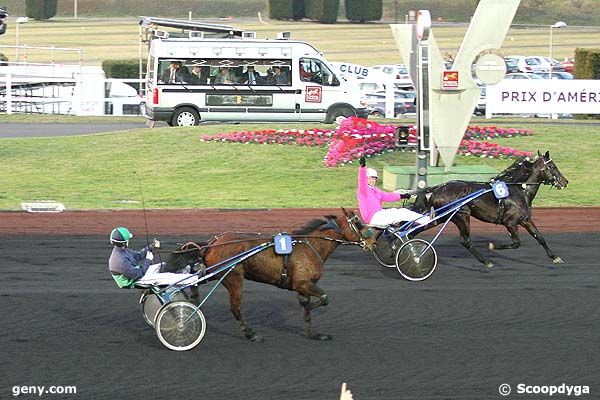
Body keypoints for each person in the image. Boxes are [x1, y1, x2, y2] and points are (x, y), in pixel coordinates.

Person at [108, 227, 197, 288]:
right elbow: (138, 274)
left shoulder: (122, 250)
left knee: (165, 265)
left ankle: (186, 270)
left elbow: (138, 255)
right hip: (137, 280)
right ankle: (194, 279)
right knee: (167, 276)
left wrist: (151, 246)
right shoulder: (119, 260)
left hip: (140, 273)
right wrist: (148, 260)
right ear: (124, 242)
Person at [356, 156, 431, 227]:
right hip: (374, 218)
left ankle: (424, 219)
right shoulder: (363, 190)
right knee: (402, 213)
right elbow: (361, 179)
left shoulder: (375, 190)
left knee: (402, 211)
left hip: (379, 215)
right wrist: (362, 167)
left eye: (374, 178)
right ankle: (427, 220)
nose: (372, 180)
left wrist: (402, 196)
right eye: (370, 178)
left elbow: (388, 196)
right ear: (366, 178)